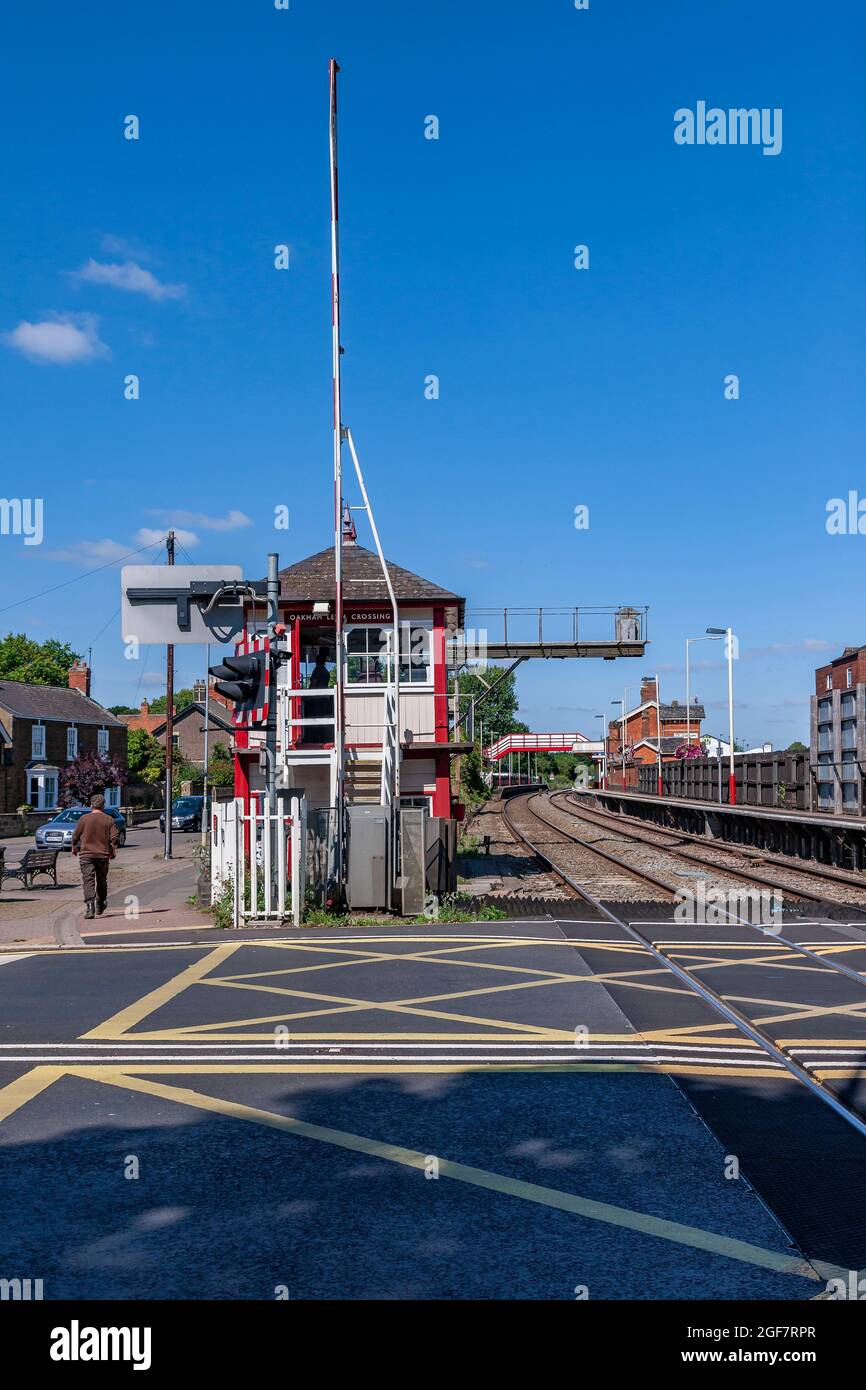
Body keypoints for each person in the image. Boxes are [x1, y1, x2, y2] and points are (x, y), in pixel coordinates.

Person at [72, 793, 119, 919]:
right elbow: (115, 838)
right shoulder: (108, 819)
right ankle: (100, 903)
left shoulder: (84, 819)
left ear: (91, 805)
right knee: (102, 880)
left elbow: (75, 836)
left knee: (88, 880)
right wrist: (113, 851)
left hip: (86, 855)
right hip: (102, 855)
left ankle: (90, 907)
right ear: (103, 805)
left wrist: (74, 848)